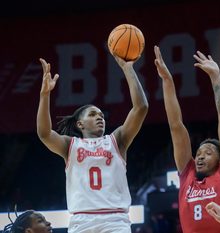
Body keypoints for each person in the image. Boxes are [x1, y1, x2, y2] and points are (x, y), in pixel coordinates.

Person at [36, 55, 148, 233]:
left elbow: (141, 107)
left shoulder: (117, 140)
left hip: (115, 220)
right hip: (81, 221)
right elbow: (44, 133)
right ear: (80, 124)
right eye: (93, 114)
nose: (99, 117)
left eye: (102, 115)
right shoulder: (69, 145)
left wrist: (128, 69)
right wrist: (44, 95)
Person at [154, 45, 220, 233]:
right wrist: (167, 81)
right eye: (199, 153)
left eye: (208, 153)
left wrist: (216, 77)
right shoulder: (188, 174)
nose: (200, 157)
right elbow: (175, 126)